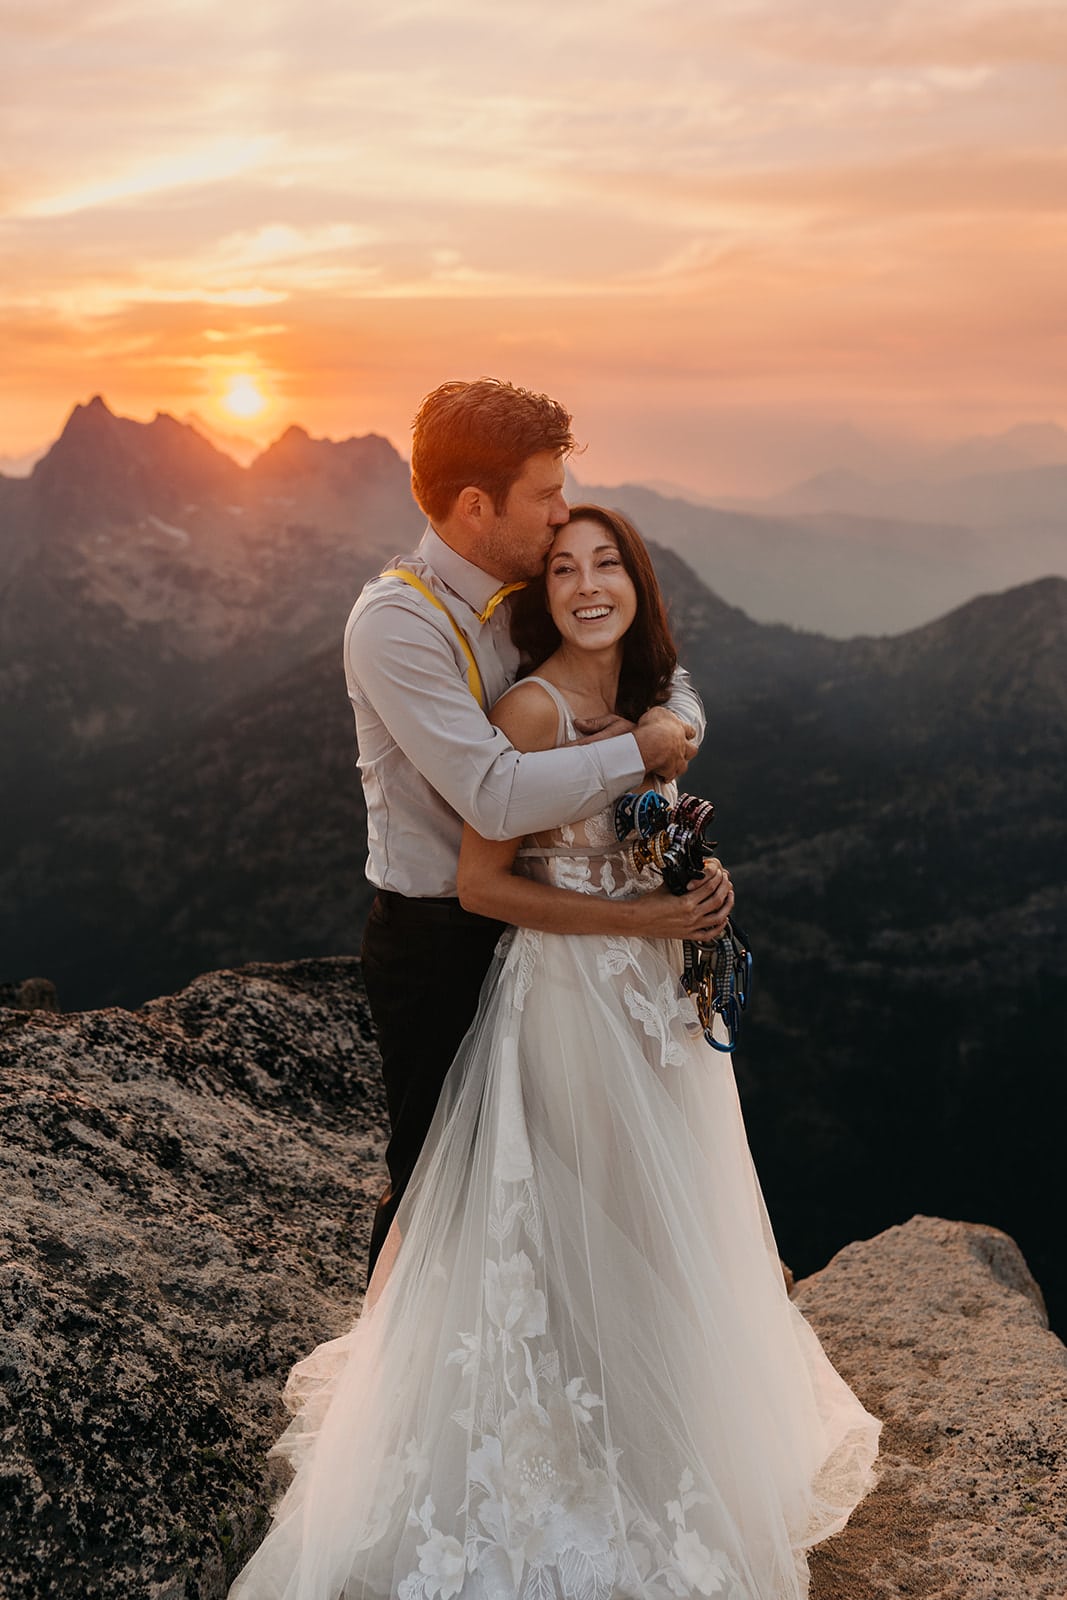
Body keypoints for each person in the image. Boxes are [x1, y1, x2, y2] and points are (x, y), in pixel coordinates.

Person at [228, 506, 880, 1600]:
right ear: (542, 589)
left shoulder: (658, 698)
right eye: (563, 565)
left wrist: (701, 888)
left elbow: (658, 826)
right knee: (590, 1223)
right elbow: (485, 885)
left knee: (666, 1227)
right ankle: (583, 1460)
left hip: (661, 1002)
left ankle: (673, 1436)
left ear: (640, 581)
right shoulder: (527, 709)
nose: (585, 584)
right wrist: (645, 924)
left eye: (606, 563)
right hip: (572, 994)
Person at [343, 379, 723, 1280]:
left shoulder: (527, 589)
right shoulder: (395, 624)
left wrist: (679, 729)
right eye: (545, 494)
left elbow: (654, 673)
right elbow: (497, 797)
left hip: (547, 929)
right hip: (439, 935)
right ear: (477, 506)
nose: (562, 516)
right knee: (438, 1178)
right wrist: (640, 749)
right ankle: (405, 1390)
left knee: (566, 1175)